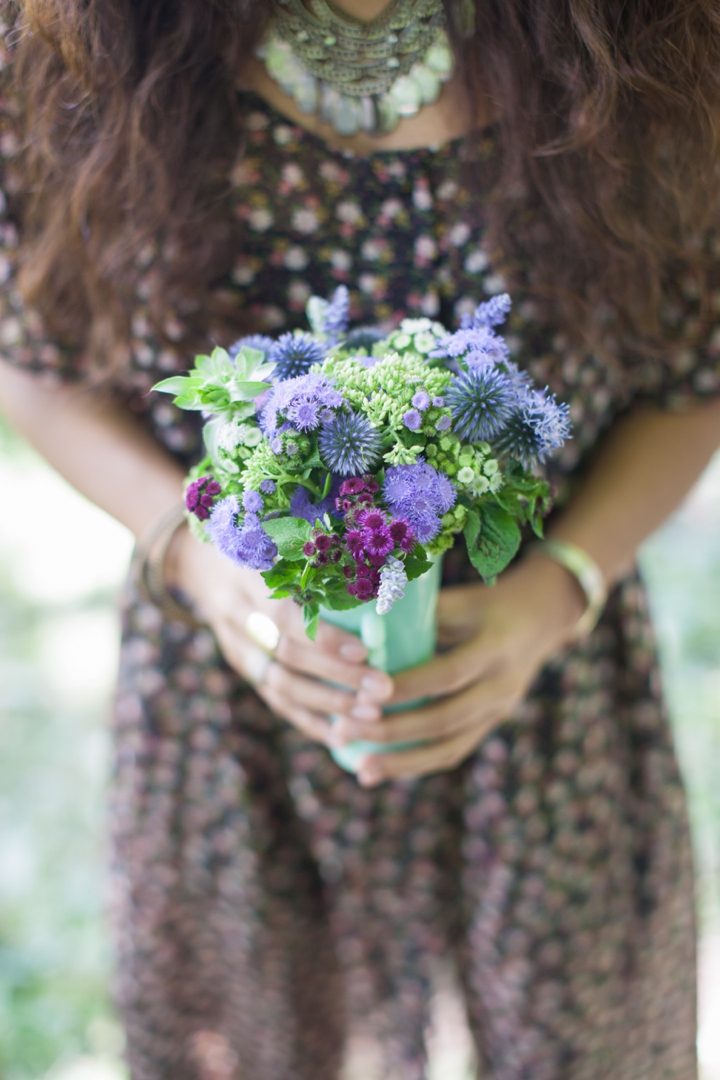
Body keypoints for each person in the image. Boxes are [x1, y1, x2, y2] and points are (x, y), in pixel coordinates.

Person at [1, 0, 719, 1076]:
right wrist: (196, 555)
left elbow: (699, 369)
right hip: (234, 699)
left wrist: (559, 588)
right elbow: (33, 353)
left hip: (542, 690)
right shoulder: (81, 38)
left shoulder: (642, 37)